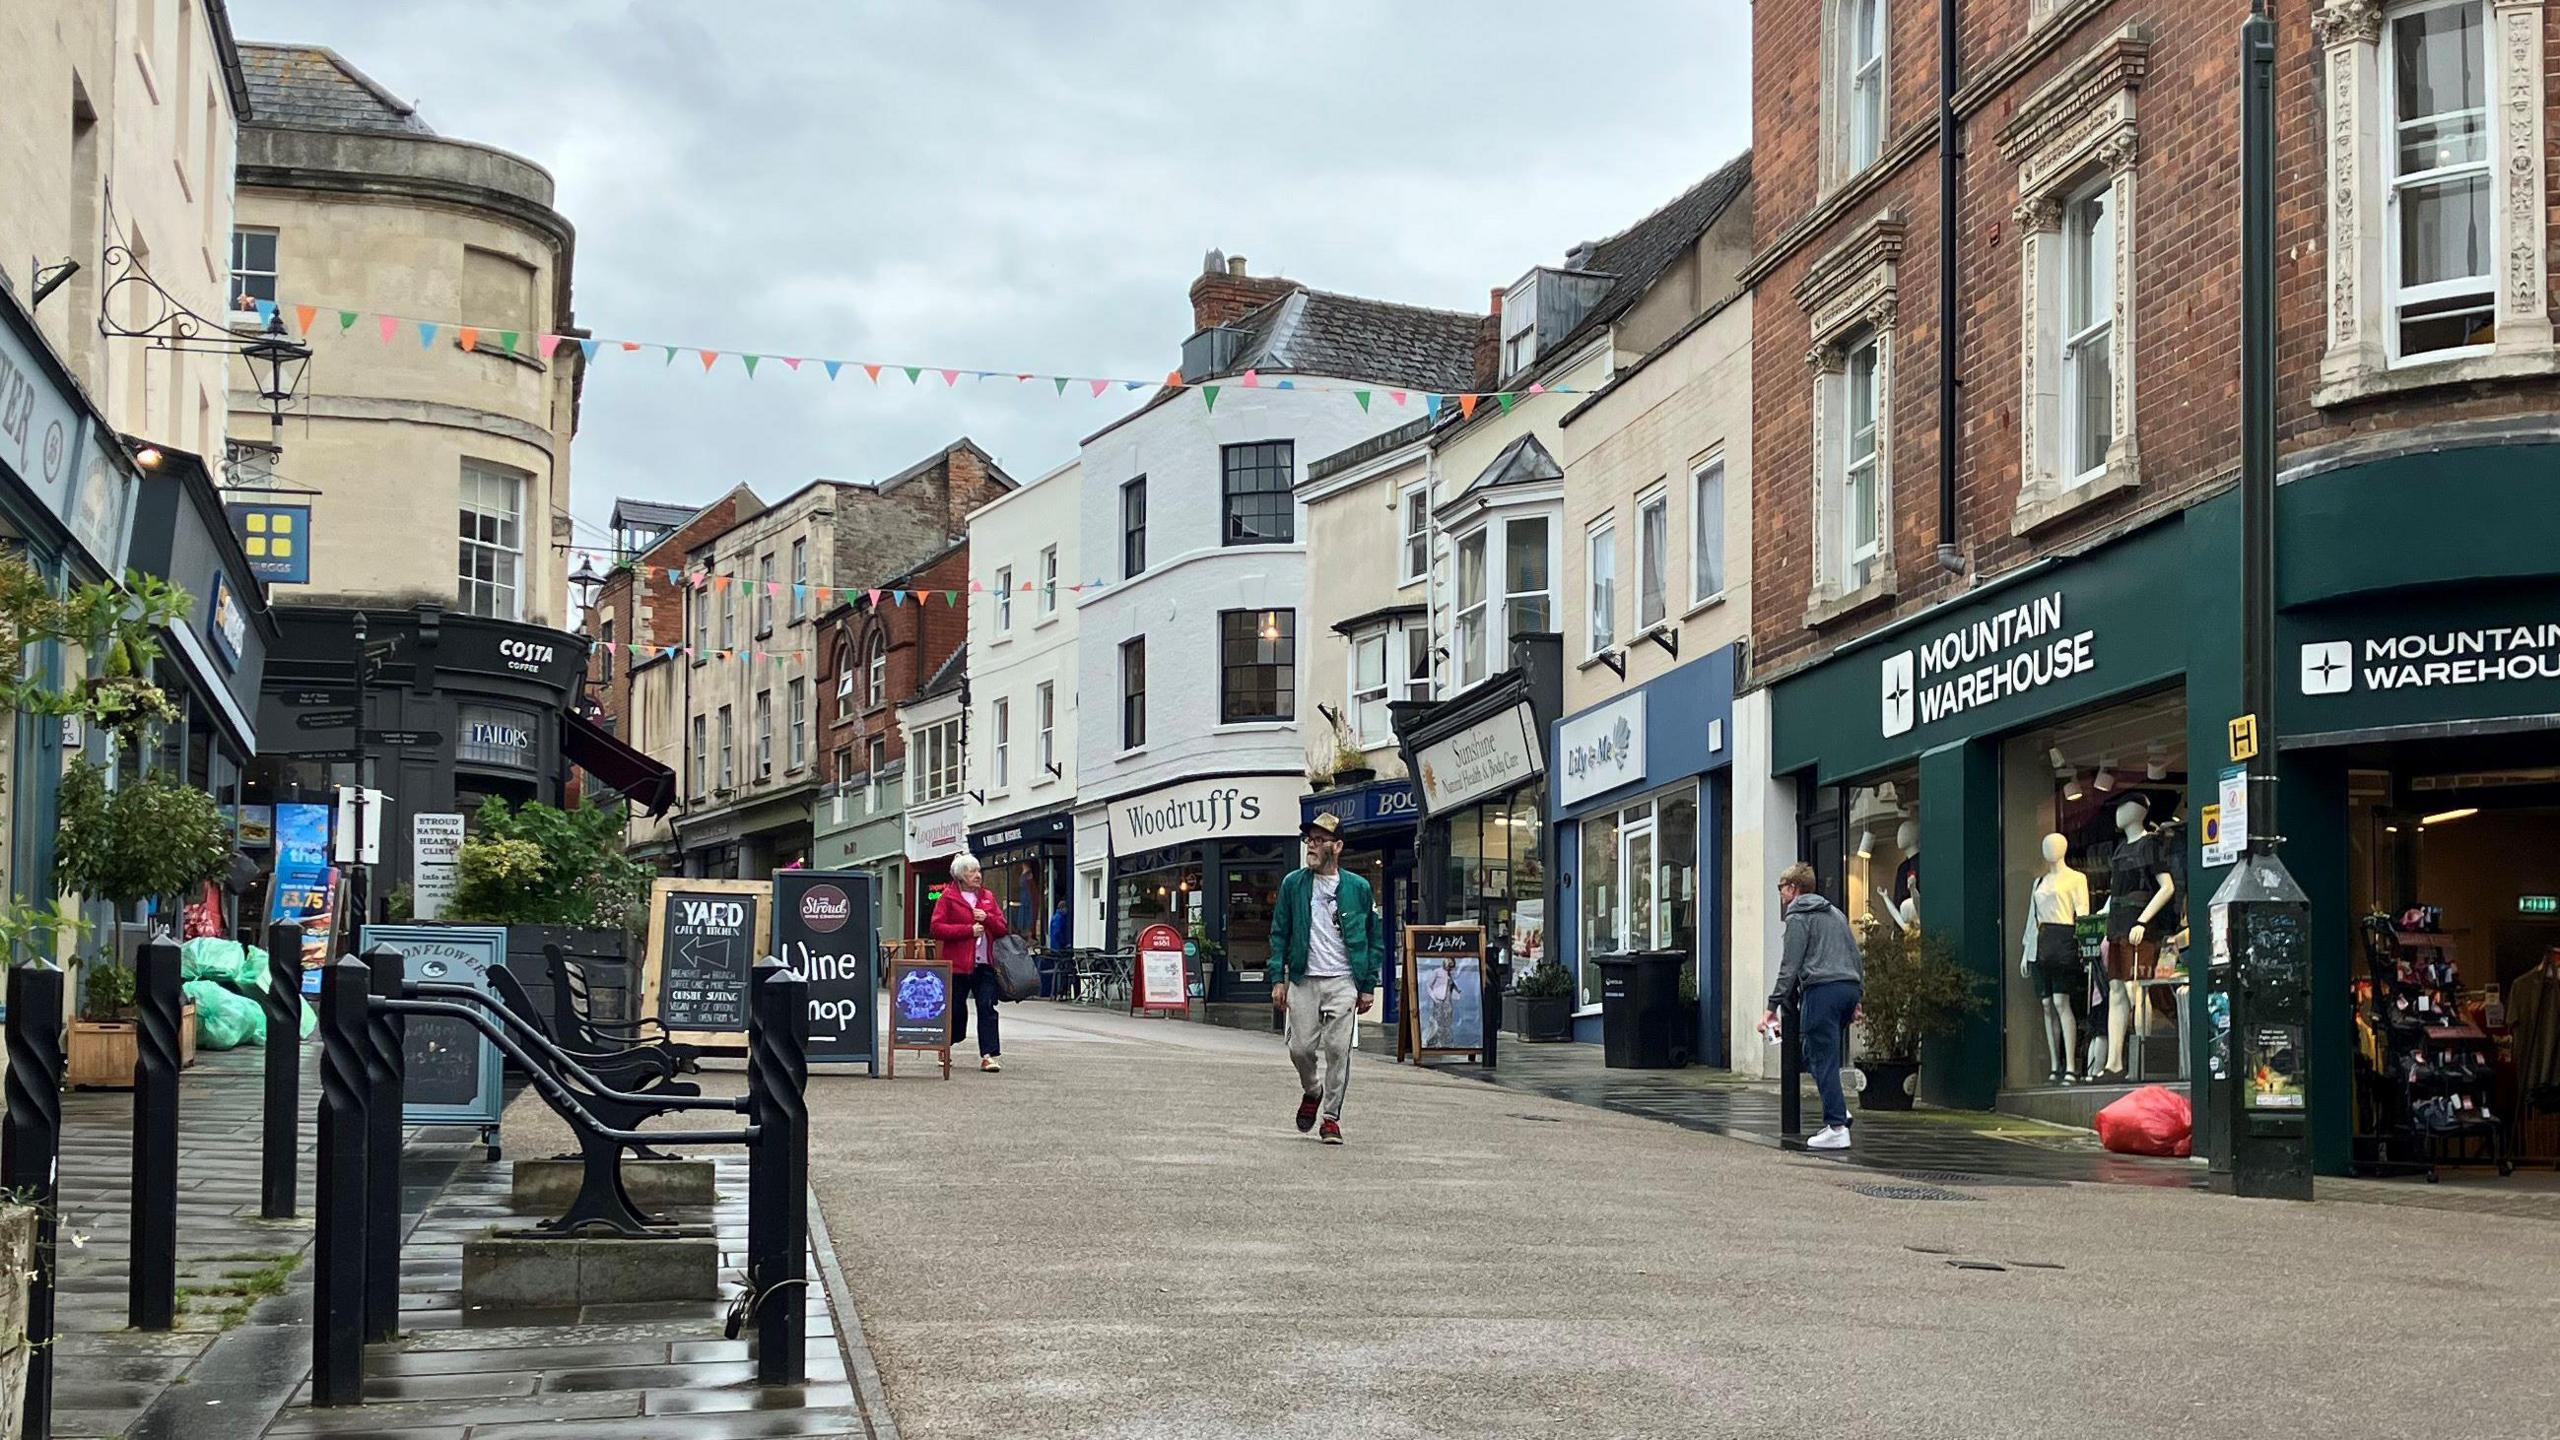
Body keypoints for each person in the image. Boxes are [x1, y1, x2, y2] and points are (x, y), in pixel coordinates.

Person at [1269, 812, 1378, 1144]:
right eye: (1309, 840)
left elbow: (1375, 938)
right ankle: (1311, 1089)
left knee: (1337, 1050)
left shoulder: (1359, 888)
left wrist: (1368, 985)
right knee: (1300, 1049)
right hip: (1303, 979)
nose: (1311, 847)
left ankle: (1331, 1118)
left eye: (1319, 841)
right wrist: (1278, 978)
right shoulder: (1293, 884)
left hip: (1344, 981)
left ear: (1338, 846)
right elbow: (1279, 933)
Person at [1763, 861, 1864, 1150]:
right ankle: (1839, 1108)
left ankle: (1836, 1126)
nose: (1781, 894)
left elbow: (1790, 964)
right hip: (1847, 989)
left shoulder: (1798, 916)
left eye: (1782, 888)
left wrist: (1772, 1006)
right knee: (1813, 1051)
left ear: (1793, 888)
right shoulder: (1836, 913)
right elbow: (1855, 955)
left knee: (1822, 1056)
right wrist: (1857, 998)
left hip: (1822, 991)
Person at [930, 853, 1008, 1072]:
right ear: (960, 875)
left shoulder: (988, 897)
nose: (977, 875)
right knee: (955, 1009)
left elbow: (1002, 928)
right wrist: (968, 930)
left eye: (978, 871)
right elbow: (936, 928)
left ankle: (988, 1055)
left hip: (984, 964)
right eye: (972, 871)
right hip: (957, 965)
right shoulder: (948, 897)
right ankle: (946, 1045)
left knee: (987, 1006)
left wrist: (988, 918)